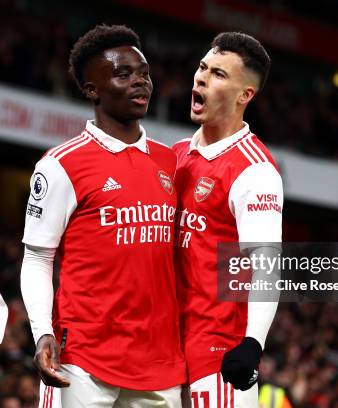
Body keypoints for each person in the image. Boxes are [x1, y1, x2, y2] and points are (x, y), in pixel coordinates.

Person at [20, 24, 185, 407]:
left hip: (159, 361)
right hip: (82, 360)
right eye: (123, 74)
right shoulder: (62, 165)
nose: (140, 83)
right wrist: (42, 332)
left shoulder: (170, 162)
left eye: (143, 73)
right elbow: (38, 257)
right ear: (92, 89)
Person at [173, 32, 283, 407]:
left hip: (219, 360)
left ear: (245, 95)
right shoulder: (174, 157)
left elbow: (266, 265)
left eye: (218, 74)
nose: (201, 78)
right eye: (202, 67)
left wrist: (252, 343)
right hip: (163, 356)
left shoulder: (254, 171)